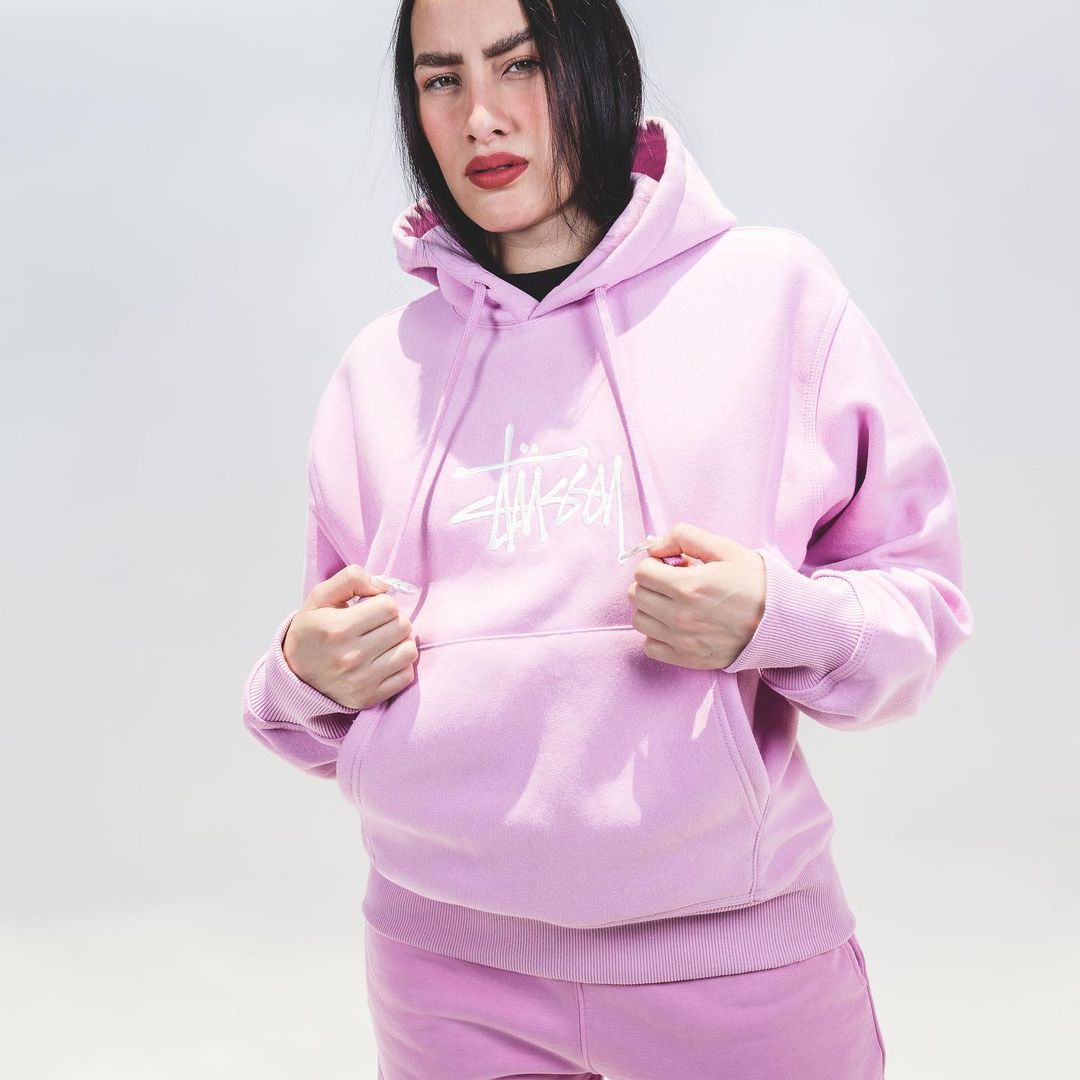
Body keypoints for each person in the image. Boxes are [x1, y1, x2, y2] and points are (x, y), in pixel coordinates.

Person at [241, 0, 974, 1076]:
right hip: (444, 974)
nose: (481, 116)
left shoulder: (774, 296)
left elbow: (922, 608)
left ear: (595, 63)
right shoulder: (380, 371)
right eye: (441, 79)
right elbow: (316, 704)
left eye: (520, 65)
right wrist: (301, 675)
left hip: (733, 963)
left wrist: (779, 616)